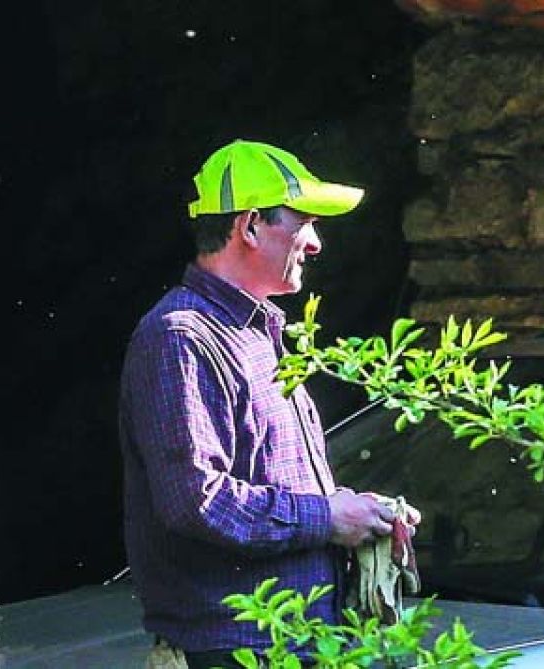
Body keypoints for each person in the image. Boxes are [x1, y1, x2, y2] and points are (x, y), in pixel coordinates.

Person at [118, 140, 399, 669]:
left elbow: (265, 487)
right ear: (249, 226)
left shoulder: (253, 332)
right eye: (304, 223)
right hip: (236, 653)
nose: (315, 244)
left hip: (288, 647)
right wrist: (327, 517)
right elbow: (197, 502)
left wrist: (358, 514)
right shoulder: (181, 337)